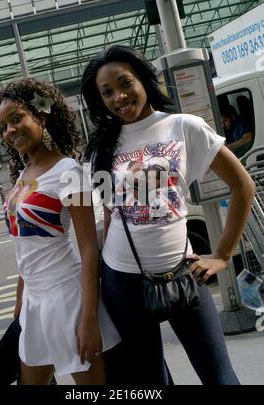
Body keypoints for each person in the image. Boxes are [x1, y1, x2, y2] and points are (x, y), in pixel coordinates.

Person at [81, 44, 255, 385]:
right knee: (150, 381)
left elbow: (243, 186)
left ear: (144, 80)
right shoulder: (103, 146)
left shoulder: (184, 126)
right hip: (123, 278)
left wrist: (222, 254)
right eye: (107, 92)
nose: (119, 97)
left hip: (183, 271)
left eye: (125, 83)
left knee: (220, 377)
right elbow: (109, 213)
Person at [0, 77, 120, 385]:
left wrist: (89, 319)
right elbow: (25, 242)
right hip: (34, 300)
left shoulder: (68, 172)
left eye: (17, 119)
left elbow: (89, 248)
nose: (10, 131)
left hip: (67, 297)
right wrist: (21, 298)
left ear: (42, 117)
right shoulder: (23, 173)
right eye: (3, 126)